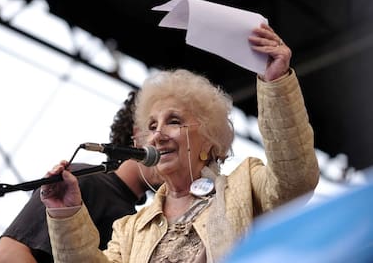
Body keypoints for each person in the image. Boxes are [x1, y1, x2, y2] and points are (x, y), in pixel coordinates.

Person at [40, 23, 320, 263]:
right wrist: (66, 214)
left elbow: (295, 180)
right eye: (152, 126)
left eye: (173, 121)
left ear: (210, 139)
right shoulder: (130, 229)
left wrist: (275, 83)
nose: (157, 135)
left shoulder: (246, 184)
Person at [0, 91, 163, 263]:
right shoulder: (83, 181)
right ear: (138, 135)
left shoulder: (137, 222)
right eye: (156, 127)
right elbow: (6, 256)